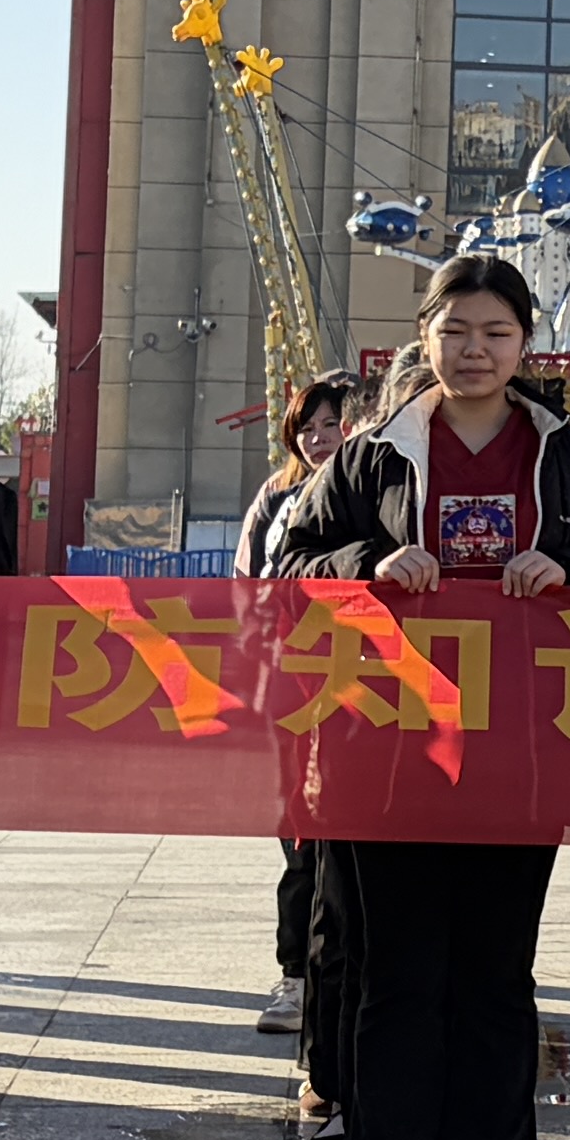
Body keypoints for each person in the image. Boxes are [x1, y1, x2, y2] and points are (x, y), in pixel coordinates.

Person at [262, 254, 570, 1140]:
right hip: (385, 756)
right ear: (424, 339)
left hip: (523, 758)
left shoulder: (569, 459)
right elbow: (292, 566)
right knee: (395, 977)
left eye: (494, 333)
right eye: (455, 332)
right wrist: (367, 563)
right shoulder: (372, 457)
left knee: (494, 978)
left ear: (525, 345)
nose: (474, 351)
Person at [241, 370, 362, 1057]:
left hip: (370, 690)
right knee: (300, 836)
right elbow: (249, 592)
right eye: (307, 429)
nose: (319, 439)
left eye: (331, 425)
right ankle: (296, 976)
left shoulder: (382, 489)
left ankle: (347, 977)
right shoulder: (277, 499)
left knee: (352, 843)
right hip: (296, 685)